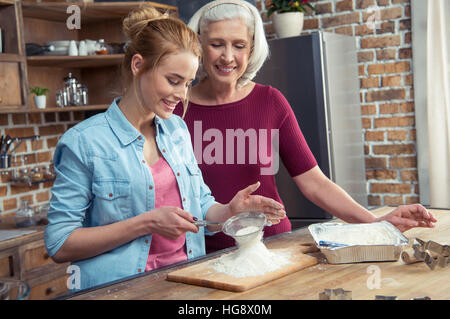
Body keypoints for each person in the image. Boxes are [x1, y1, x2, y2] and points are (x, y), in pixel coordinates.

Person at [44, 5, 286, 291]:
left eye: (187, 84)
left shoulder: (177, 130)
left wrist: (229, 210)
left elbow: (201, 203)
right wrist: (146, 223)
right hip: (119, 291)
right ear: (138, 65)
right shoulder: (84, 142)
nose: (181, 95)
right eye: (173, 81)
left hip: (184, 282)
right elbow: (59, 244)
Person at [173, 0, 437, 253]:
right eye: (217, 44)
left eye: (239, 45)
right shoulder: (175, 108)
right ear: (198, 45)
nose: (228, 56)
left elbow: (314, 182)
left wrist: (376, 223)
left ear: (252, 48)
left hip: (269, 249)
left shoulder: (270, 101)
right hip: (203, 253)